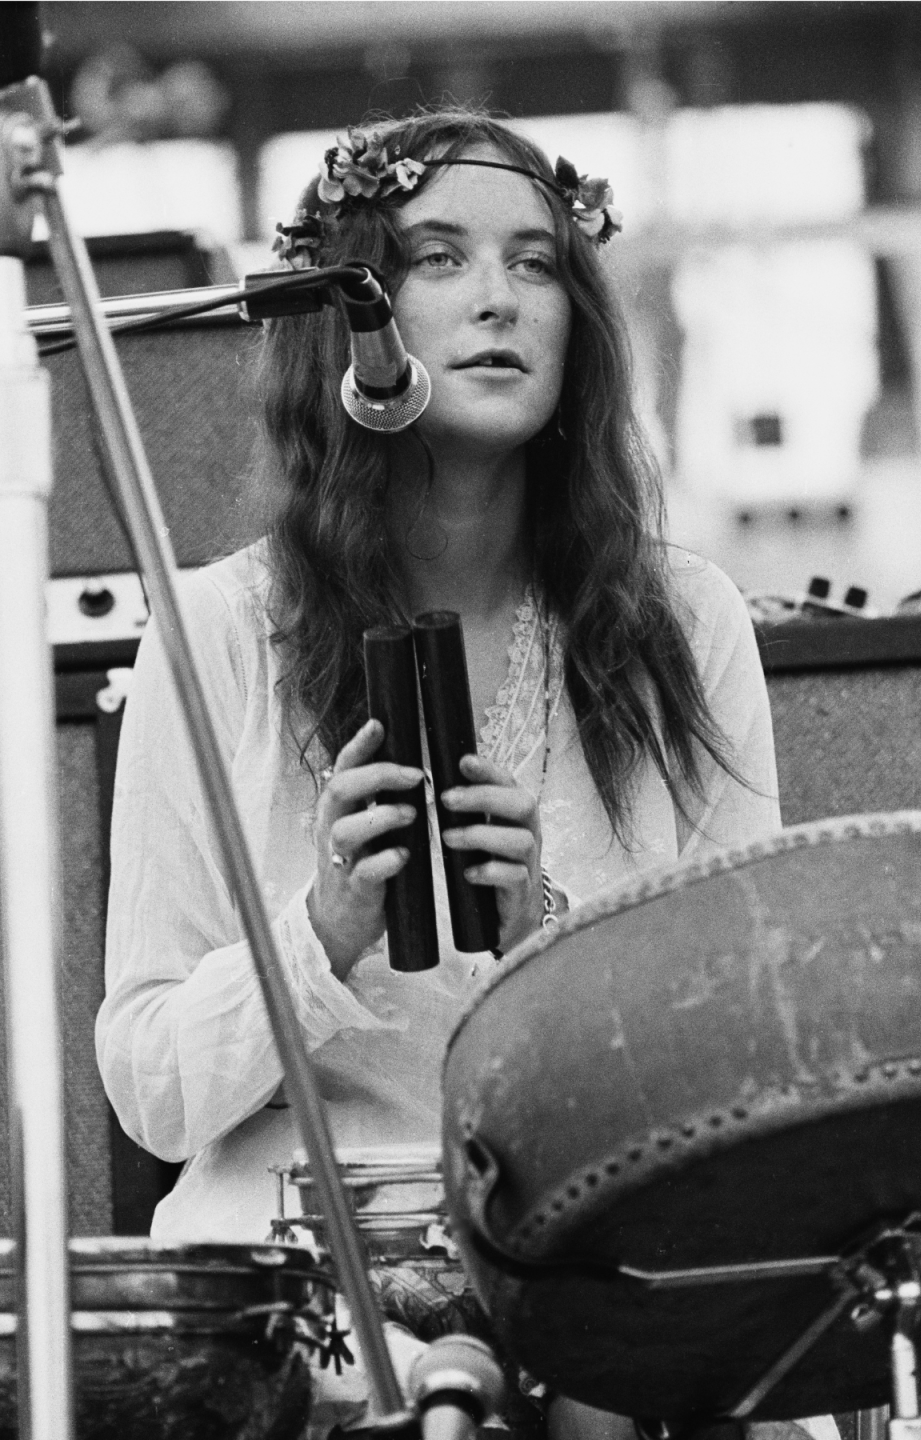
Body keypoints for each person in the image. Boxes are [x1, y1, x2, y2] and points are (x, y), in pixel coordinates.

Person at [96, 107, 787, 1436]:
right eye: (440, 257)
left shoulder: (683, 625)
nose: (498, 300)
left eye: (536, 264)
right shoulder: (217, 630)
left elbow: (753, 1054)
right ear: (352, 315)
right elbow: (151, 1085)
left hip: (591, 1271)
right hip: (305, 1287)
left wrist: (549, 929)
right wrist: (318, 934)